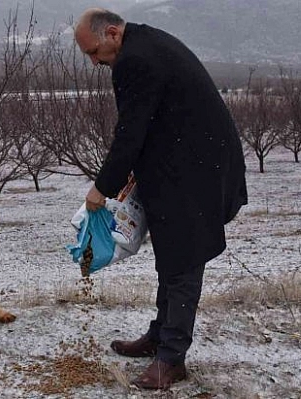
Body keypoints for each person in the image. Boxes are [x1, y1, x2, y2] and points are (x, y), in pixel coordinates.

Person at [74, 8, 248, 390]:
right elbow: (152, 122)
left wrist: (101, 189)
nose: (94, 62)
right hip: (185, 163)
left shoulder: (134, 60)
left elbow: (130, 133)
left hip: (197, 171)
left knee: (184, 260)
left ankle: (172, 358)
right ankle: (159, 336)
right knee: (170, 256)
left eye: (94, 52)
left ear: (113, 34)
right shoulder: (143, 46)